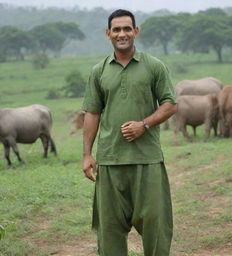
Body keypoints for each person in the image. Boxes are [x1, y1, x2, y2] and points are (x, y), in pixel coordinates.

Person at [82, 9, 176, 256]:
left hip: (148, 159)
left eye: (126, 29)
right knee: (109, 229)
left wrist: (143, 124)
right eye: (116, 30)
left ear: (136, 31)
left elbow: (170, 104)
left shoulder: (154, 66)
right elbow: (92, 113)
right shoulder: (98, 71)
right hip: (110, 160)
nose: (121, 34)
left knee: (156, 224)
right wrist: (87, 155)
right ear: (108, 34)